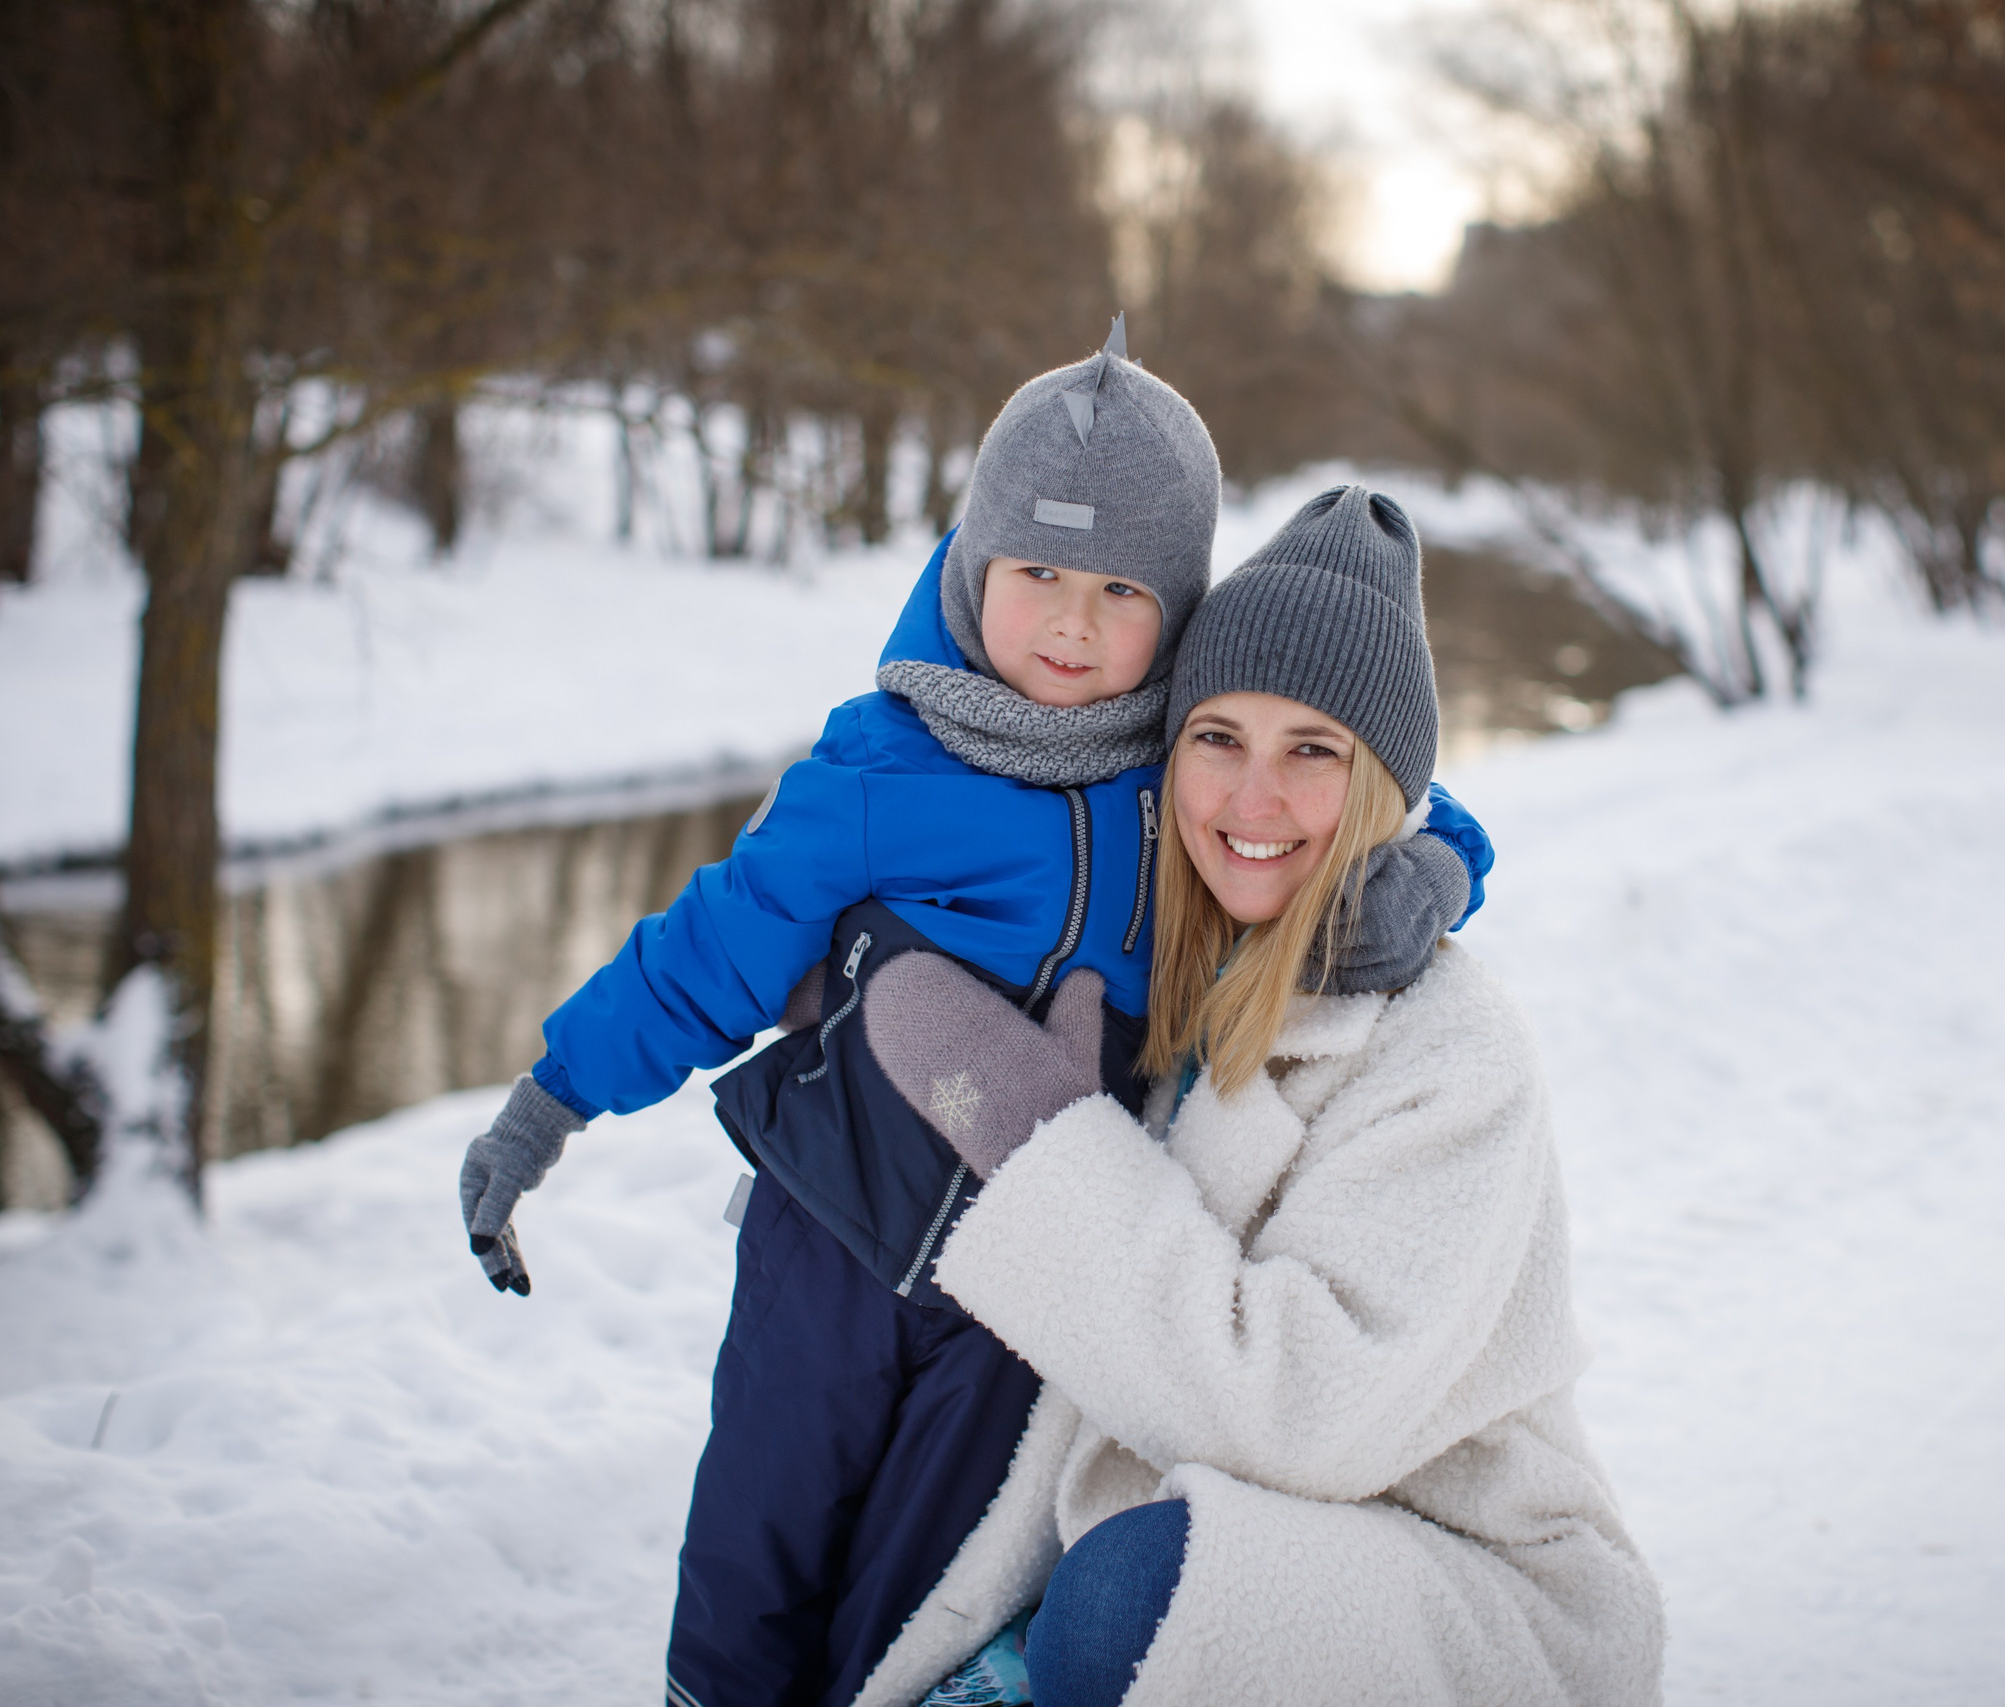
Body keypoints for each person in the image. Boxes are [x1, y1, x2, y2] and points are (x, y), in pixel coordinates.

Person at [451, 331, 1497, 1707]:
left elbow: (1375, 785)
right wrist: (550, 1101)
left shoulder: (1180, 772)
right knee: (759, 1542)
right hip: (827, 1236)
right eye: (1038, 573)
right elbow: (709, 946)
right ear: (973, 567)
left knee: (918, 1583)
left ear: (1175, 607)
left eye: (1119, 587)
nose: (1070, 622)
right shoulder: (880, 764)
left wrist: (1437, 871)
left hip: (1024, 1281)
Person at [858, 485, 1664, 1707]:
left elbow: (1308, 1417)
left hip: (1465, 1571)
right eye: (1218, 738)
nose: (1252, 800)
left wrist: (1043, 1144)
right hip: (1230, 1502)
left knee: (1137, 1603)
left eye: (1313, 752)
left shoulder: (1452, 1051)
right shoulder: (1171, 978)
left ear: (1382, 790)